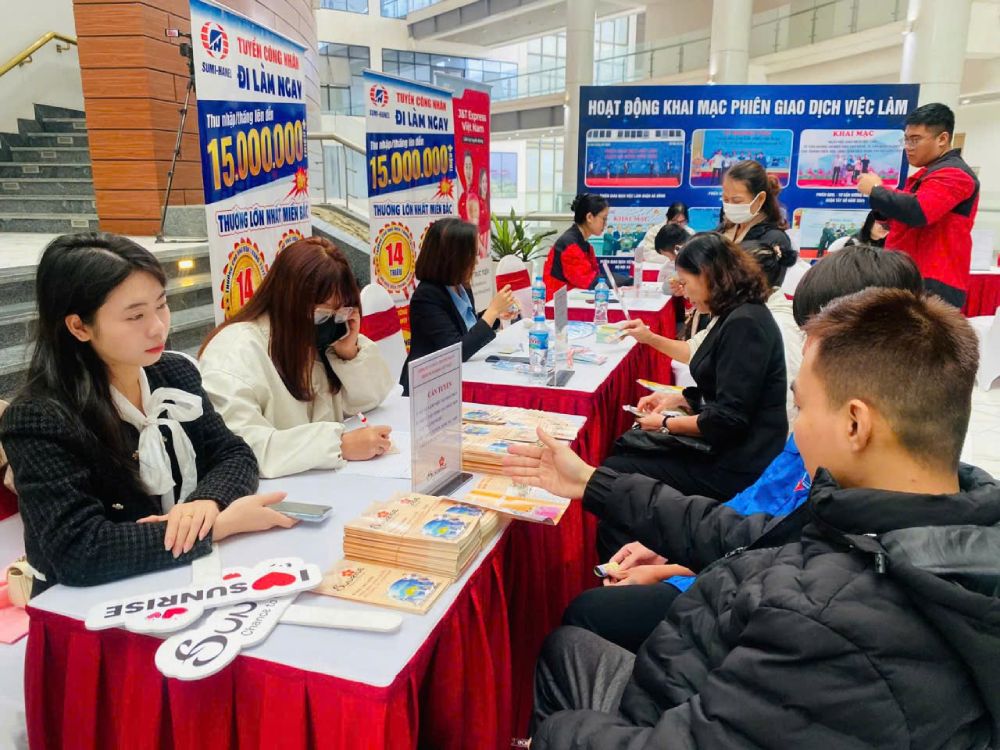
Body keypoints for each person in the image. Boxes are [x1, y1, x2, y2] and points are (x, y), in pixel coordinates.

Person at [508, 288, 1000, 749]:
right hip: (712, 670)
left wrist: (554, 736)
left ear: (856, 424)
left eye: (801, 406)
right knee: (568, 647)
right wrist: (595, 484)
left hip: (687, 702)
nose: (795, 425)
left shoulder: (827, 625)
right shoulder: (917, 513)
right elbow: (744, 535)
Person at [556, 245, 926, 652]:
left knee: (589, 617)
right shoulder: (833, 453)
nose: (795, 419)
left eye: (802, 404)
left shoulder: (858, 501)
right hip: (733, 560)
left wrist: (680, 568)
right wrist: (675, 555)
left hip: (737, 582)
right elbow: (755, 523)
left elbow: (767, 551)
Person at [0, 233, 296, 597]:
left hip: (183, 579)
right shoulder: (40, 419)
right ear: (79, 326)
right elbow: (79, 550)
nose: (157, 326)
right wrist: (216, 526)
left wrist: (205, 502)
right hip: (94, 607)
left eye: (162, 305)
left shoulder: (173, 373)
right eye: (135, 315)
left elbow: (233, 453)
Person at [604, 233, 788, 546]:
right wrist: (679, 398)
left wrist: (664, 424)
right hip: (729, 446)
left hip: (737, 463)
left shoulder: (746, 323)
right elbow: (724, 385)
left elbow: (728, 418)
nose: (685, 293)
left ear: (707, 276)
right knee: (627, 448)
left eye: (686, 283)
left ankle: (630, 556)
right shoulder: (732, 314)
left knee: (617, 472)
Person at [199, 237, 395, 479]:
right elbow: (241, 447)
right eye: (323, 314)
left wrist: (349, 353)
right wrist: (338, 445)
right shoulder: (236, 351)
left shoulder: (321, 340)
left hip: (319, 483)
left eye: (341, 312)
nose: (331, 322)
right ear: (288, 301)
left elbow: (370, 399)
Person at [857, 102, 980, 308]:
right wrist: (881, 203)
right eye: (906, 139)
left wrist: (877, 190)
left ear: (942, 139)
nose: (908, 147)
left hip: (932, 283)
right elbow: (900, 217)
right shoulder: (927, 173)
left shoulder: (955, 174)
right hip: (909, 275)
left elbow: (919, 211)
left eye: (915, 140)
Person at [402, 218, 518, 394]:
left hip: (457, 377)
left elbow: (465, 328)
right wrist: (492, 311)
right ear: (453, 258)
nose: (477, 262)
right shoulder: (426, 297)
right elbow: (456, 351)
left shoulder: (460, 285)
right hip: (429, 388)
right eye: (472, 255)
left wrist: (495, 315)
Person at [543, 193, 623, 299]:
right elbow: (592, 283)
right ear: (589, 217)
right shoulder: (570, 246)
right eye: (604, 218)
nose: (605, 223)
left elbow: (596, 278)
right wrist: (629, 281)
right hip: (558, 308)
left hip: (574, 299)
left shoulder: (585, 245)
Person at [718, 160, 793, 258]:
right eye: (725, 199)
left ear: (760, 199)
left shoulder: (773, 240)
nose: (730, 205)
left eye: (737, 201)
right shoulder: (722, 230)